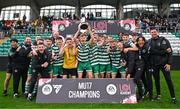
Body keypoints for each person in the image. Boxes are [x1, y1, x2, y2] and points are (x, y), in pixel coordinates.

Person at [148, 27, 176, 104]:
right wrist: (164, 51)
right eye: (152, 32)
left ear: (157, 32)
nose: (153, 33)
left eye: (154, 32)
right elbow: (151, 53)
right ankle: (158, 95)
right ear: (150, 33)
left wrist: (169, 63)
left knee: (168, 80)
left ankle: (173, 97)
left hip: (164, 64)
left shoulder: (164, 40)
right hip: (154, 65)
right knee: (156, 80)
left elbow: (170, 52)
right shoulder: (149, 42)